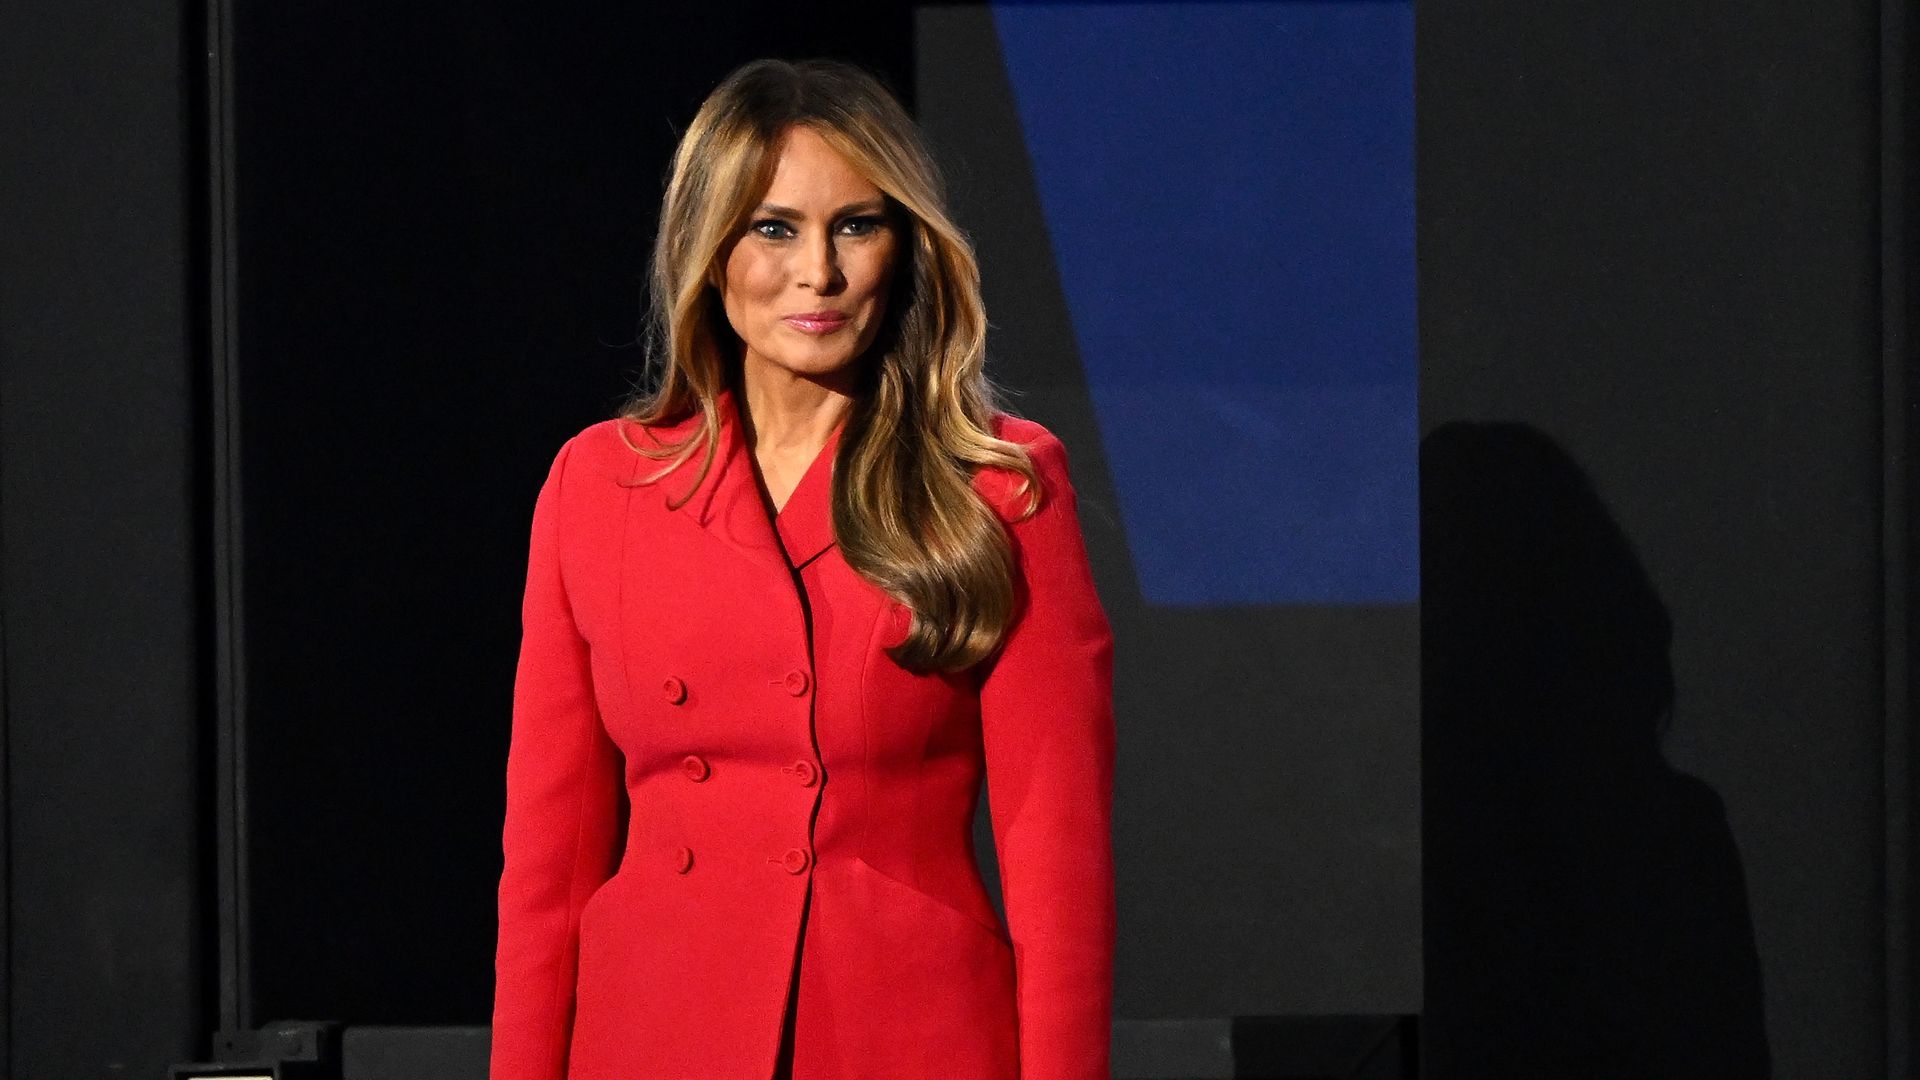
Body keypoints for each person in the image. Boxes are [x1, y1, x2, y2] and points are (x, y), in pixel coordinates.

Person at [489, 57, 1115, 1080]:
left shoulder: (999, 484)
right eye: (773, 228)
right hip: (652, 1033)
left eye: (856, 226)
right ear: (709, 247)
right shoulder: (597, 485)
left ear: (904, 247)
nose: (817, 274)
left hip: (902, 1034)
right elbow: (546, 866)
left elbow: (1059, 856)